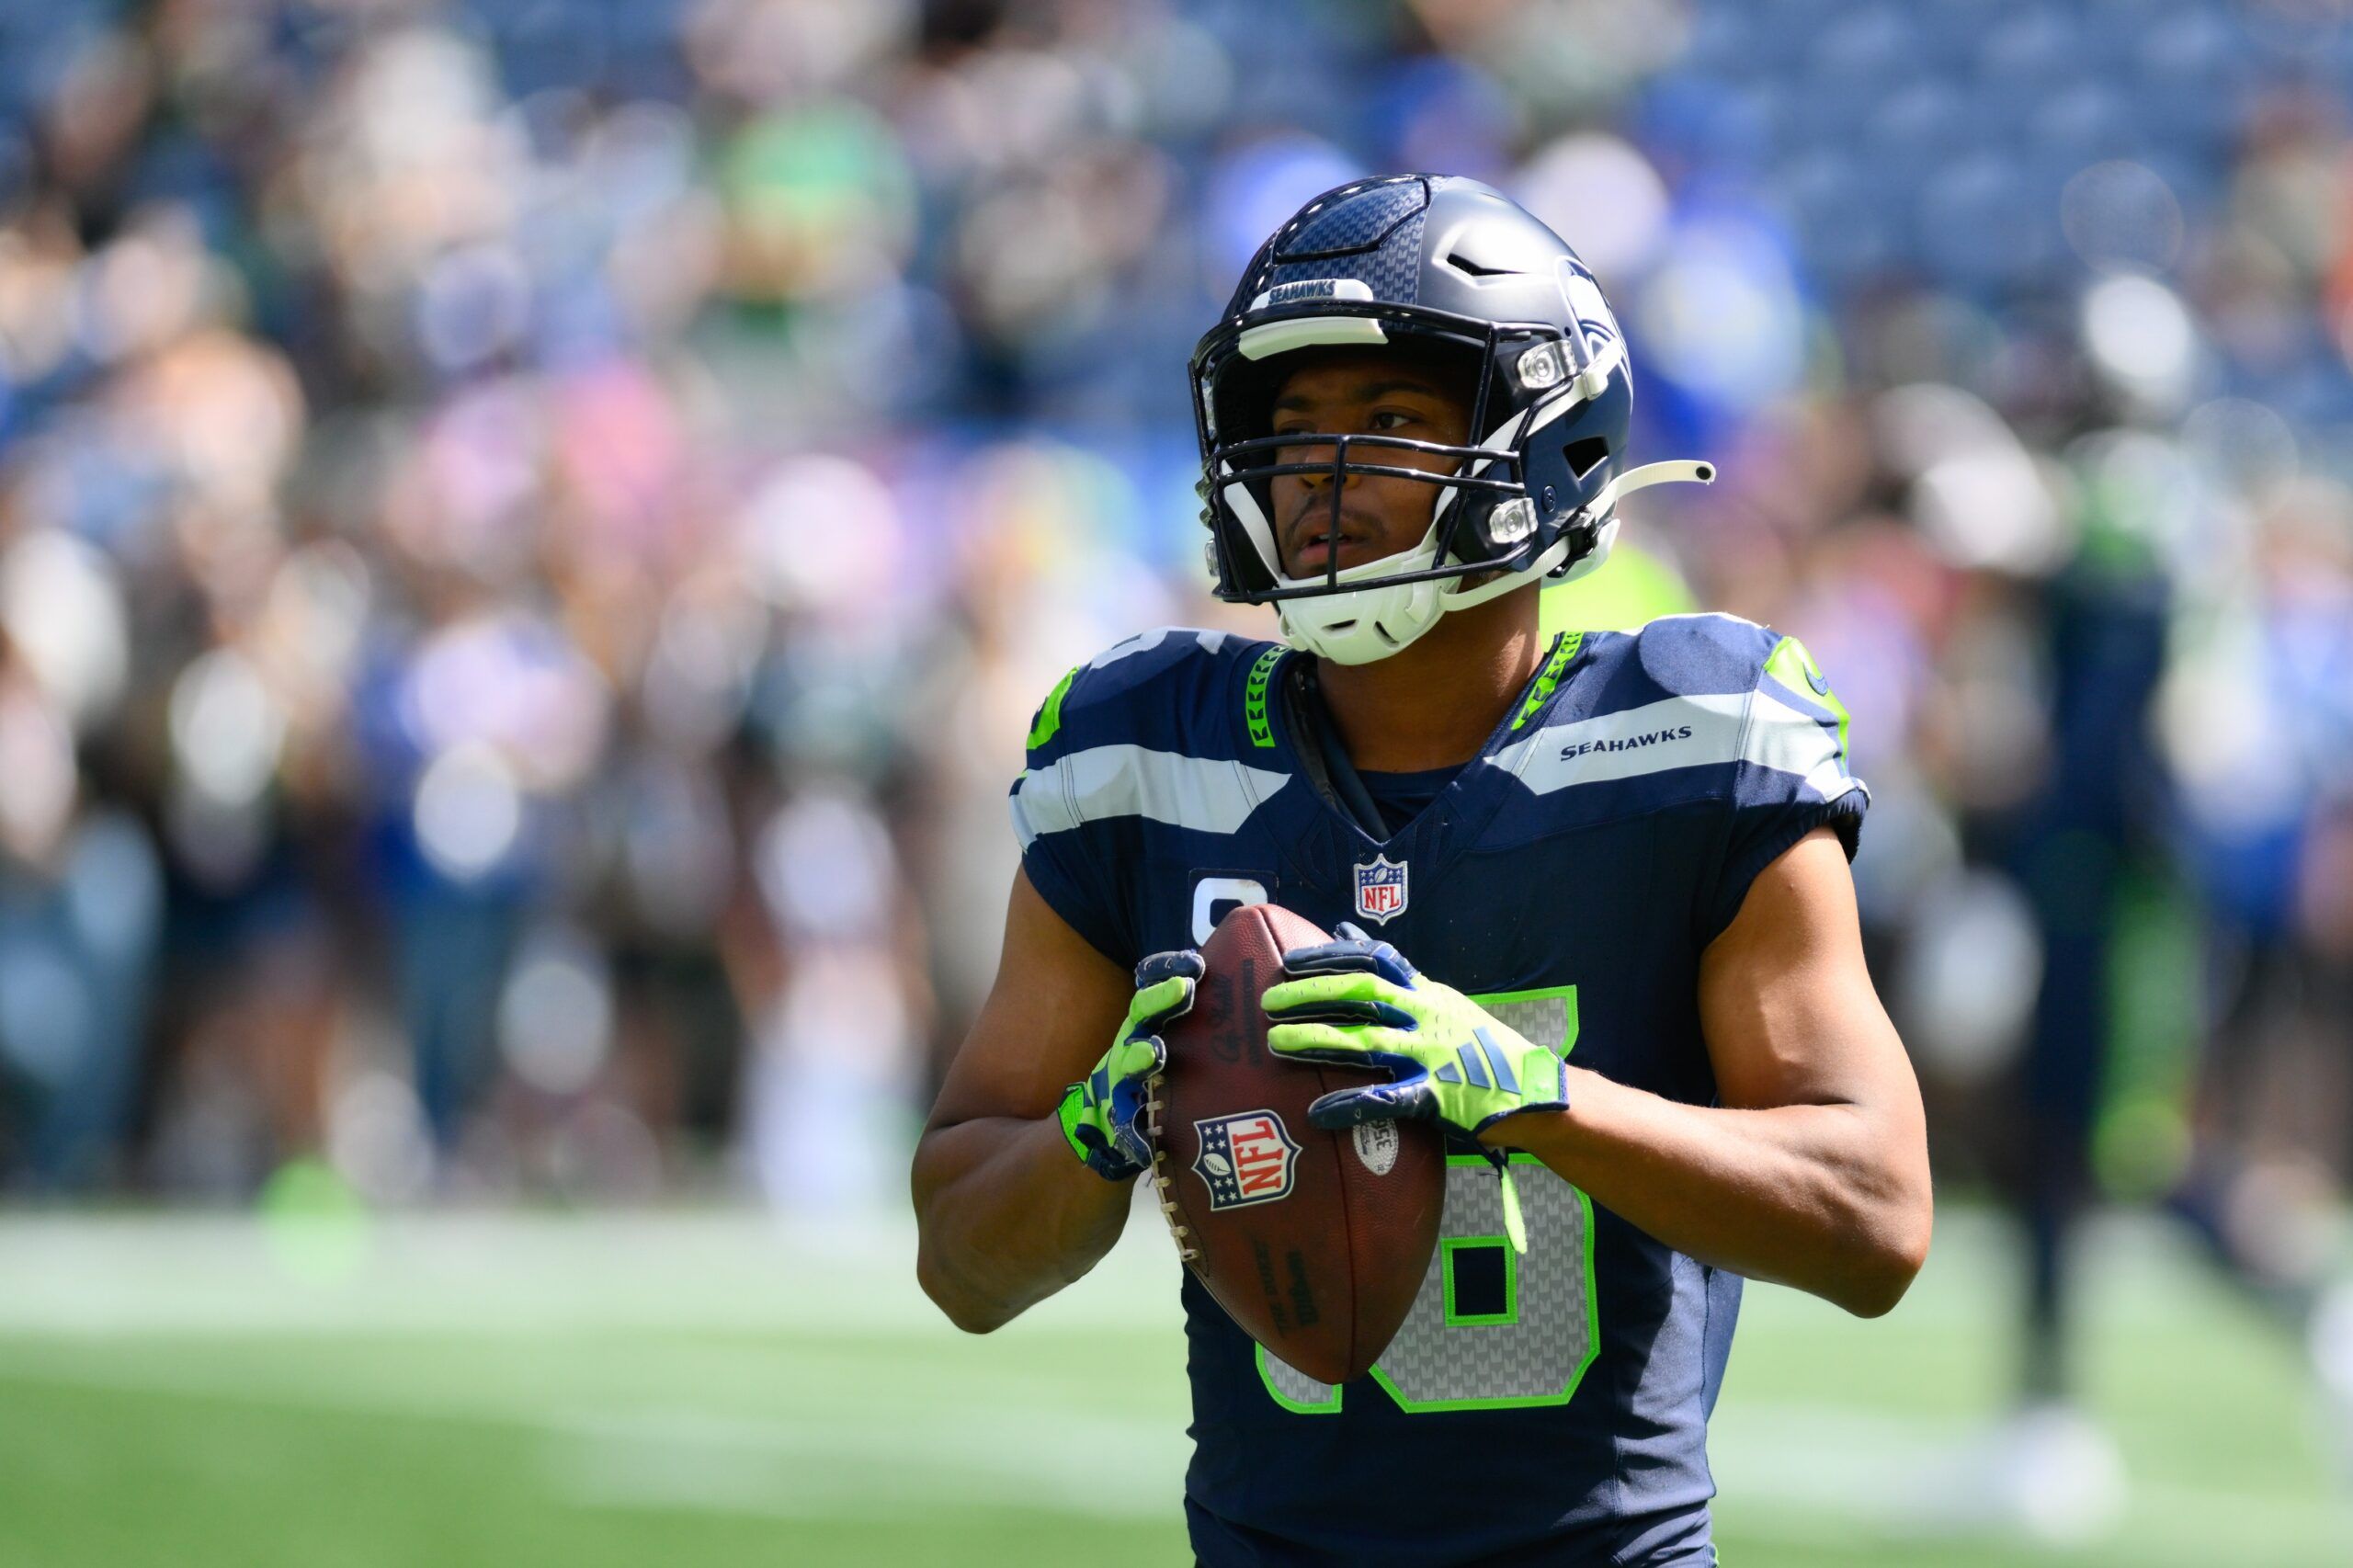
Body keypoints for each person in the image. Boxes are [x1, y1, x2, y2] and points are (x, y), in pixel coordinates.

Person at [911, 175, 1933, 1566]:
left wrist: (1538, 1096)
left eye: (1385, 423)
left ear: (1547, 444)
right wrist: (1097, 1131)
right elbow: (960, 1257)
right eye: (1291, 429)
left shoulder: (1688, 734)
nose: (1315, 477)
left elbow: (1876, 1212)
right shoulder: (1143, 749)